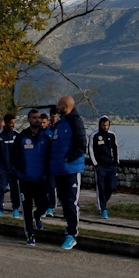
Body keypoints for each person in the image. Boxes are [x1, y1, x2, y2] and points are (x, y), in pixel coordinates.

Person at [49, 96, 88, 250]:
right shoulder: (60, 124)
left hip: (71, 170)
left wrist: (67, 159)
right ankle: (68, 226)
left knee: (71, 201)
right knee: (64, 201)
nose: (56, 106)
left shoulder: (75, 122)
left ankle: (72, 234)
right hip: (59, 170)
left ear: (65, 106)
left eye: (59, 104)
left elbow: (81, 146)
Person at [12, 109, 52, 246]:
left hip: (41, 179)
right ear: (29, 119)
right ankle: (30, 234)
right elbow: (14, 156)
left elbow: (50, 156)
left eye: (39, 118)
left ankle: (38, 215)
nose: (37, 120)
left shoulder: (46, 137)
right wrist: (20, 169)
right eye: (34, 118)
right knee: (26, 208)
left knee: (45, 205)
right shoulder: (22, 137)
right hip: (25, 179)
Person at [90, 116, 120, 219]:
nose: (105, 127)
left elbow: (115, 148)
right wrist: (95, 164)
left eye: (107, 125)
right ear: (100, 124)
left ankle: (101, 203)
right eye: (103, 125)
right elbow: (90, 149)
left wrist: (116, 161)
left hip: (111, 165)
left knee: (112, 186)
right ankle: (103, 209)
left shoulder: (112, 135)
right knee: (101, 187)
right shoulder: (94, 135)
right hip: (100, 166)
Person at [0, 114, 20, 218]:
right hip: (2, 168)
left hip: (13, 168)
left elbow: (21, 152)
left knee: (15, 189)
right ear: (6, 123)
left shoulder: (17, 135)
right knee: (1, 188)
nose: (13, 125)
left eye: (14, 123)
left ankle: (15, 208)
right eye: (11, 123)